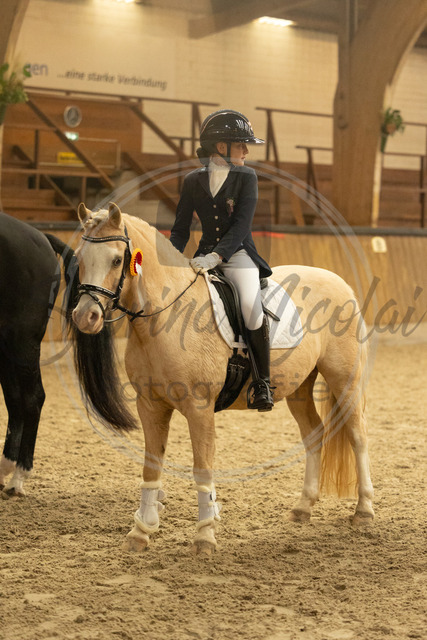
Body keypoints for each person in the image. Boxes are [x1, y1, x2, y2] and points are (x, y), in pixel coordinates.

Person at [170, 109, 274, 412]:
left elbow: (241, 225)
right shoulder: (192, 181)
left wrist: (217, 256)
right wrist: (169, 259)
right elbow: (180, 229)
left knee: (250, 307)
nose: (246, 151)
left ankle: (262, 382)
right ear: (221, 146)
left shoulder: (247, 177)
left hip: (238, 254)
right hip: (202, 256)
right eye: (241, 145)